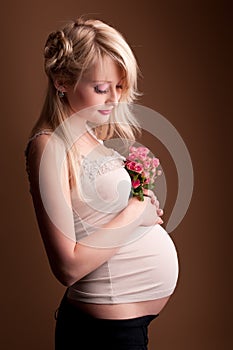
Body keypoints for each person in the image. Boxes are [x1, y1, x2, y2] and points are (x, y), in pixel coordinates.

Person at [25, 17, 179, 350]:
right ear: (61, 81)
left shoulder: (91, 138)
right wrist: (134, 215)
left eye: (119, 87)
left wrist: (140, 207)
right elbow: (67, 266)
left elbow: (102, 220)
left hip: (122, 326)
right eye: (100, 88)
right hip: (104, 333)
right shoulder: (49, 145)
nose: (113, 99)